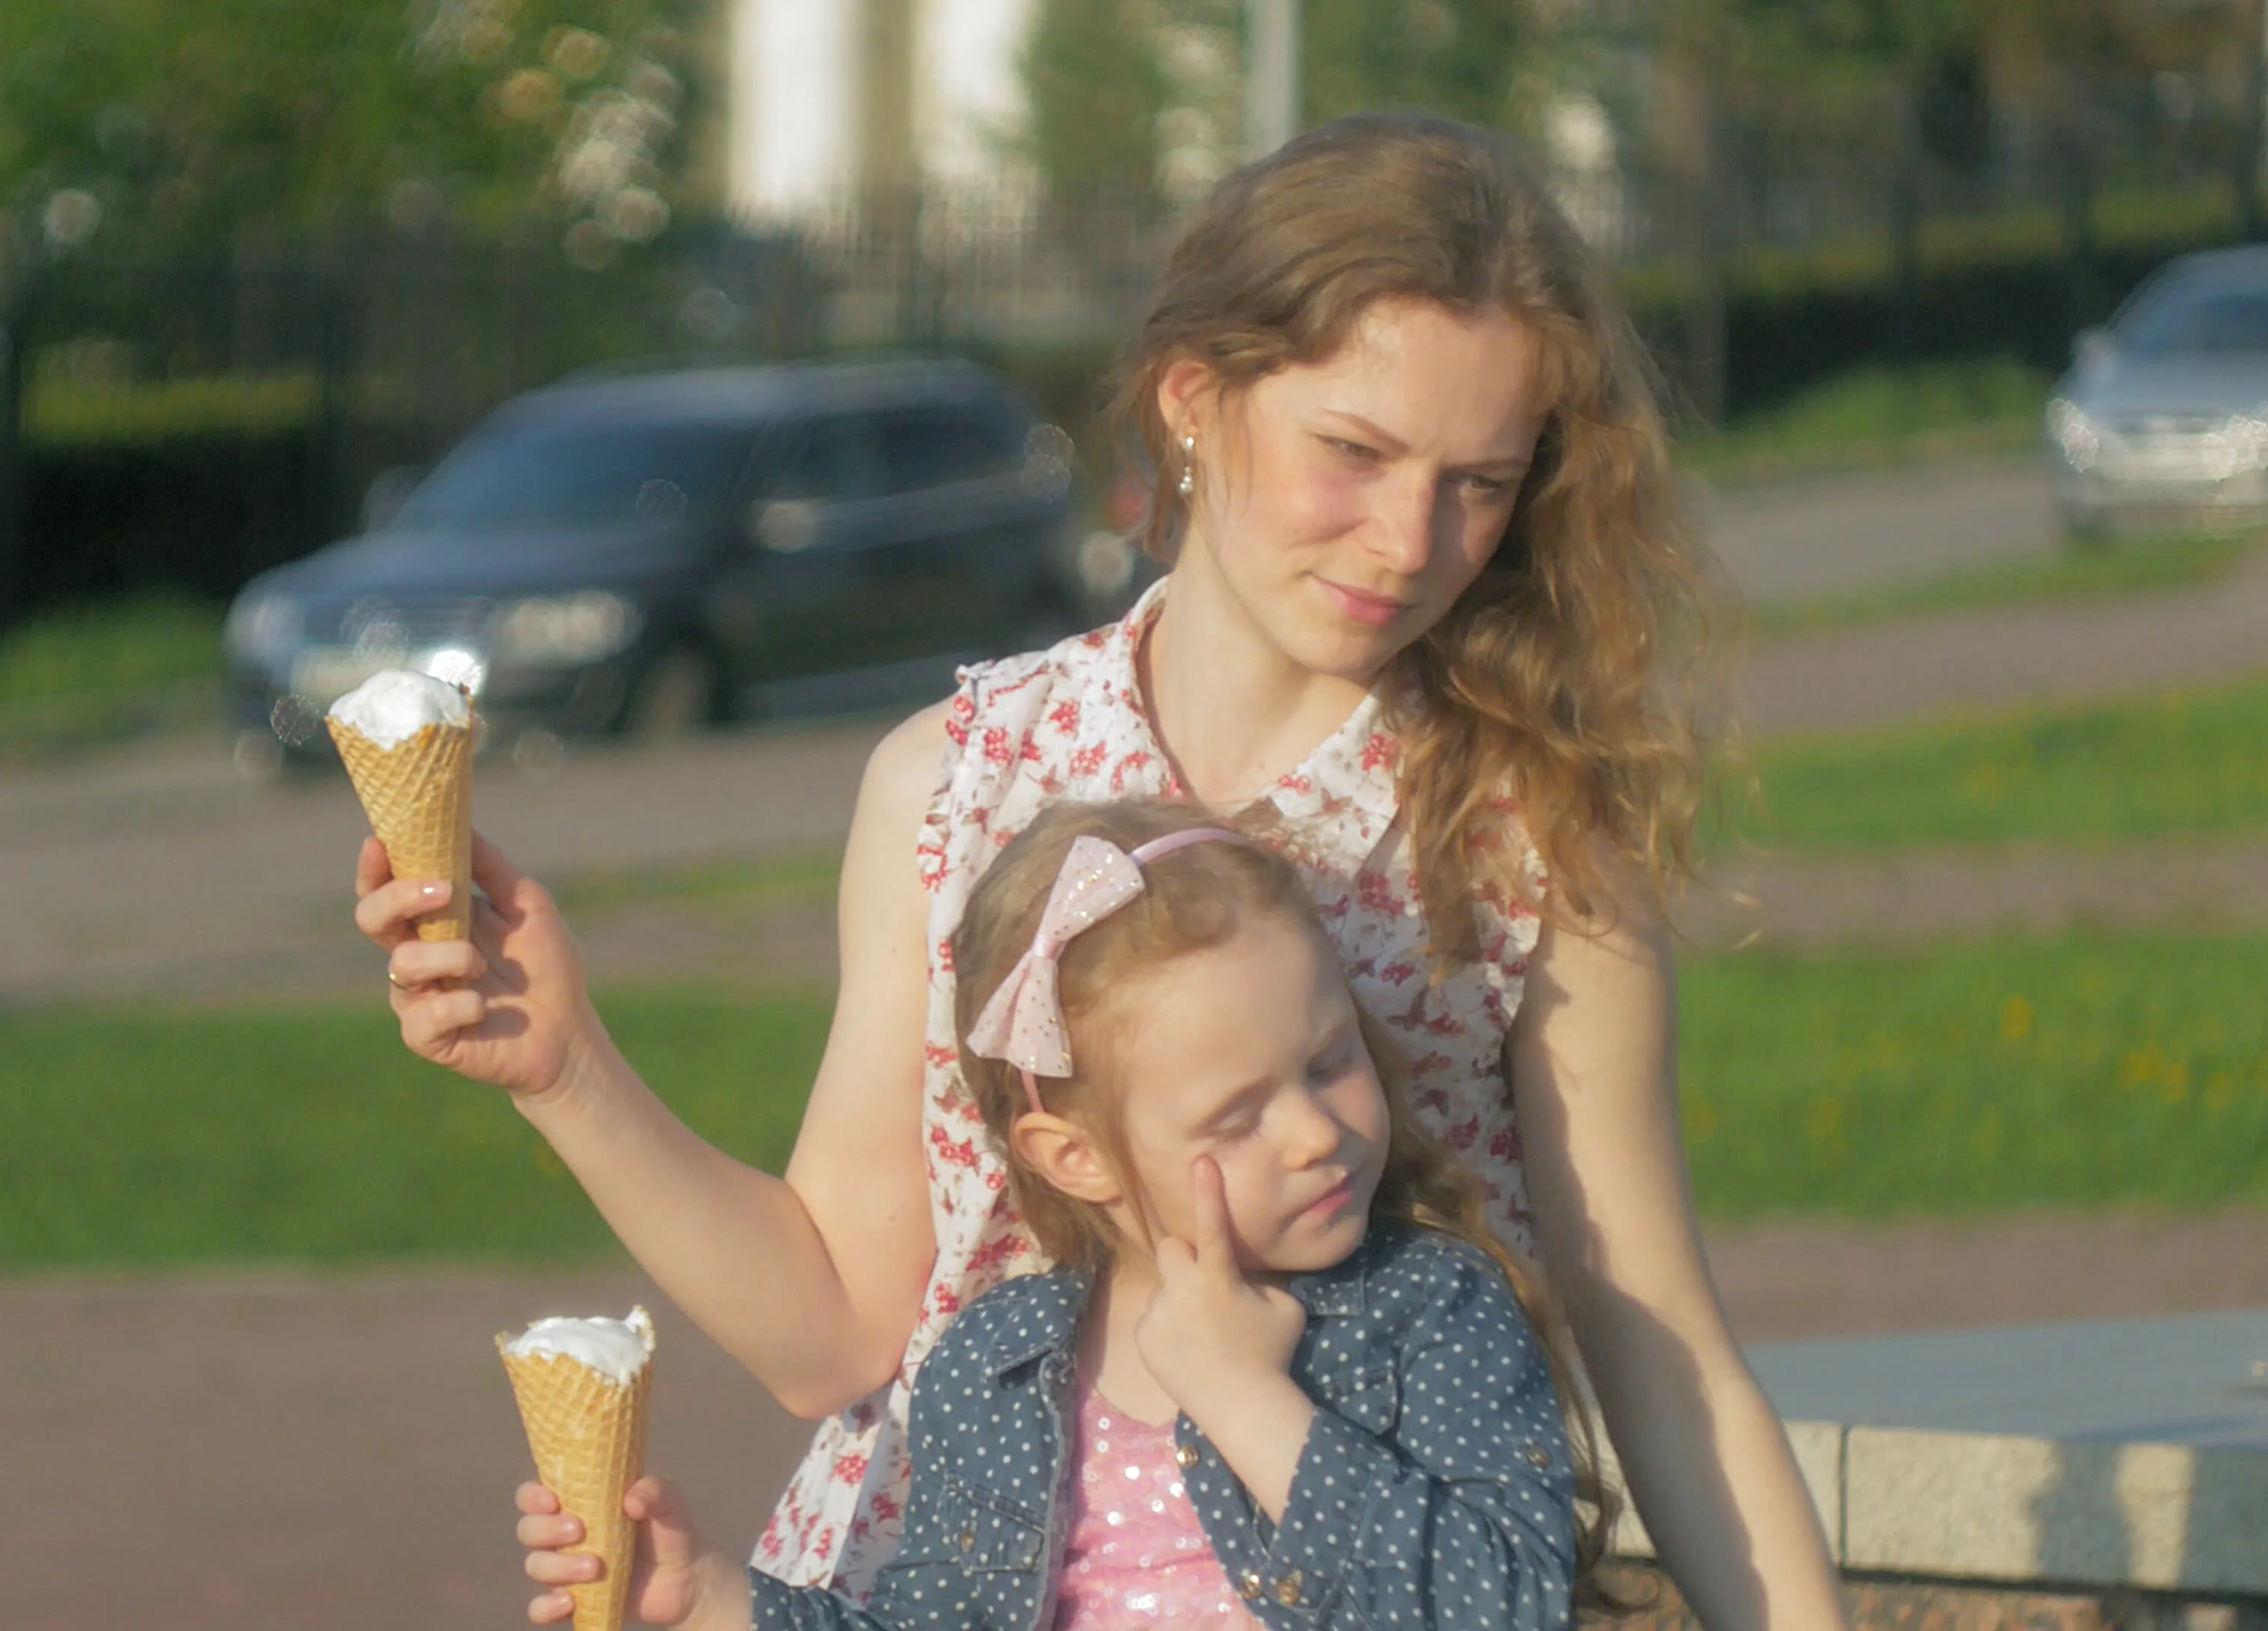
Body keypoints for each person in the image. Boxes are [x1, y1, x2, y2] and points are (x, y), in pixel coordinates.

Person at [362, 111, 1847, 1627]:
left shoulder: (1524, 824)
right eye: (1355, 450)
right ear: (1194, 399)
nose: (1411, 537)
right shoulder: (953, 776)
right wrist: (564, 1070)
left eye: (1480, 480)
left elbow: (1658, 1343)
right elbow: (837, 1337)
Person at [509, 800, 1601, 1631]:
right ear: (1073, 1157)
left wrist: (1246, 1396)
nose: (1316, 1133)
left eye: (1329, 1062)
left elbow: (1501, 1604)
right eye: (1236, 1116)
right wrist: (711, 1604)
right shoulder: (997, 1363)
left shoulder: (1430, 1310)